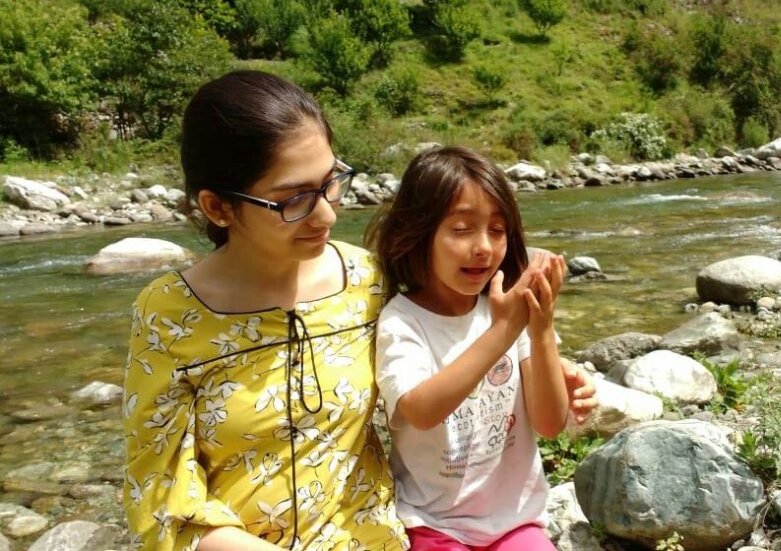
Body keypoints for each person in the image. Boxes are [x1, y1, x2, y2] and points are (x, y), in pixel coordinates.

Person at [123, 71, 595, 551]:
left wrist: (553, 366)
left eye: (332, 183)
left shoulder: (369, 281)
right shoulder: (170, 314)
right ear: (218, 208)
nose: (327, 214)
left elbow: (457, 324)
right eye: (295, 200)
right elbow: (159, 489)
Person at [366, 146, 573, 551]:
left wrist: (542, 329)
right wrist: (504, 330)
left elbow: (550, 423)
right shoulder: (404, 320)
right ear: (420, 233)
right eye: (461, 229)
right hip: (434, 523)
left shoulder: (512, 309)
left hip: (515, 522)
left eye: (497, 230)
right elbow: (421, 411)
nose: (483, 247)